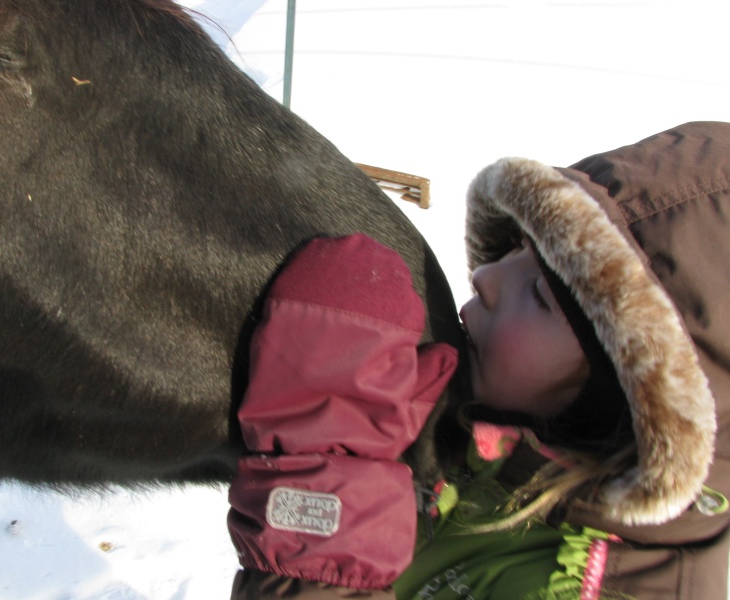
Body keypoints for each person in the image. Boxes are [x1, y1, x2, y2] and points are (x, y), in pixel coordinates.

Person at [225, 121, 730, 599]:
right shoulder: (500, 456)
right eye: (517, 248)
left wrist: (325, 495)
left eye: (538, 293)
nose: (486, 278)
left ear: (630, 399)